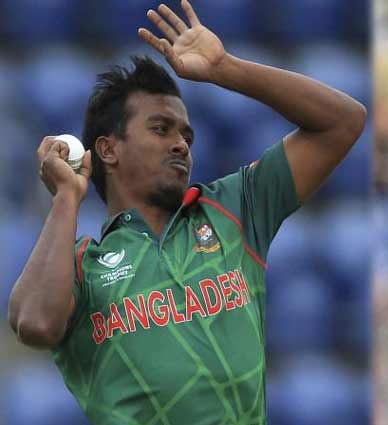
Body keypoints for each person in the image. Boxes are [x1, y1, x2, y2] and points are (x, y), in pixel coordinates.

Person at [7, 1, 366, 423]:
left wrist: (226, 69)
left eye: (187, 136)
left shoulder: (234, 209)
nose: (181, 144)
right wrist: (66, 197)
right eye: (161, 129)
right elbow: (35, 323)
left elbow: (343, 121)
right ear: (108, 149)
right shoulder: (85, 266)